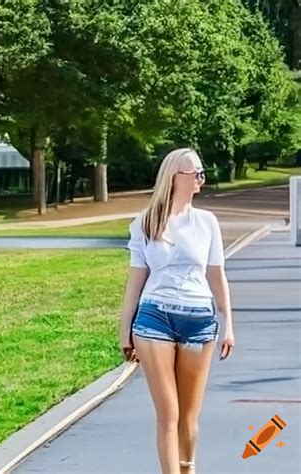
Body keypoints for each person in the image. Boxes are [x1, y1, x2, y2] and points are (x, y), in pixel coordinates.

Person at [118, 148, 234, 474]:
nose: (202, 178)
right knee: (168, 413)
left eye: (202, 172)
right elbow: (135, 281)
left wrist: (229, 323)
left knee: (189, 416)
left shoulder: (207, 222)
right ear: (174, 177)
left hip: (198, 321)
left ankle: (188, 468)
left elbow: (216, 274)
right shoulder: (145, 223)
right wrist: (124, 327)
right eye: (195, 172)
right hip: (154, 319)